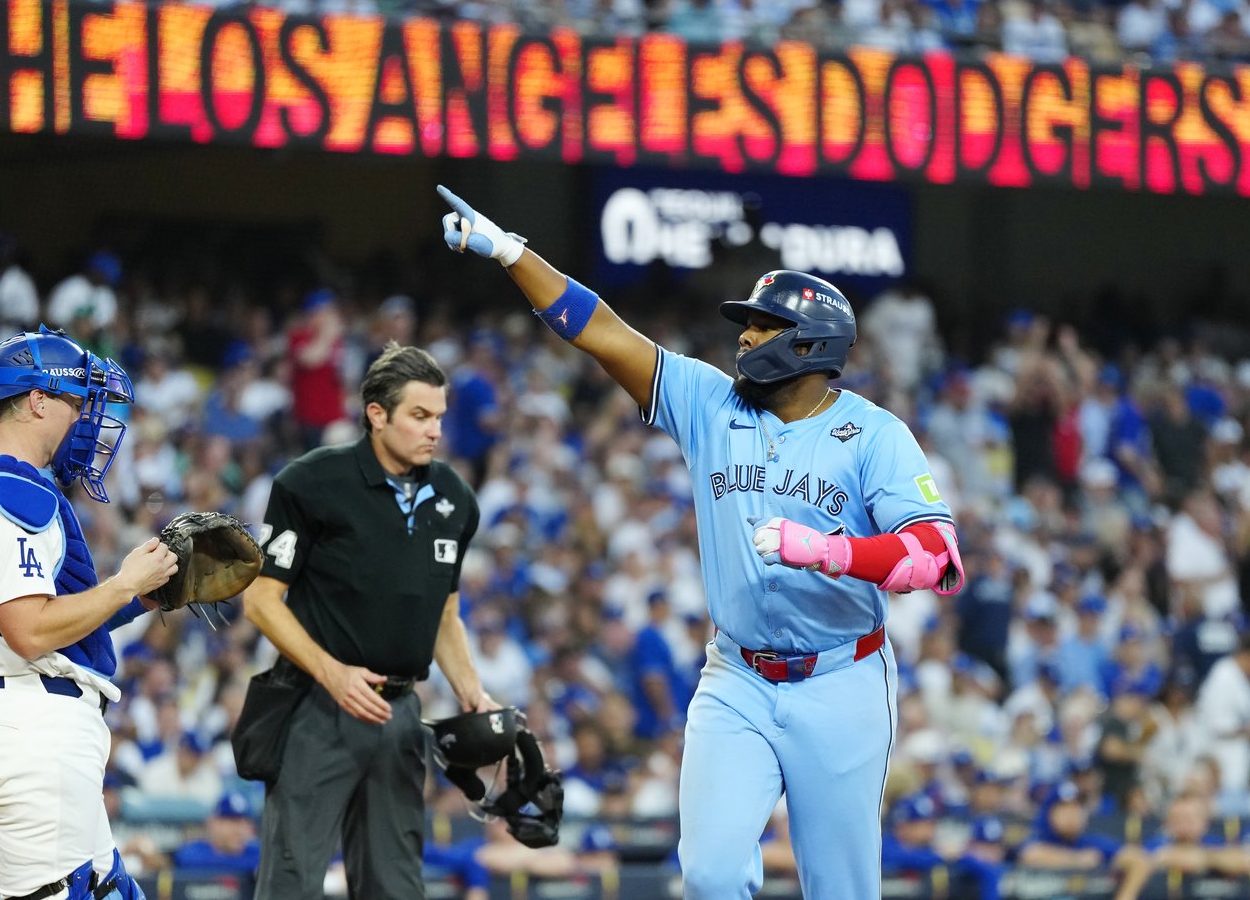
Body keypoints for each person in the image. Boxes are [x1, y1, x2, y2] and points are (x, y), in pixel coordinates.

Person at [436, 186, 965, 899]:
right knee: (712, 872)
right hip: (738, 676)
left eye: (764, 328)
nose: (744, 339)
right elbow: (600, 331)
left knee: (840, 888)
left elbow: (936, 557)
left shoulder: (875, 434)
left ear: (811, 345)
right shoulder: (710, 402)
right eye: (746, 326)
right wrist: (512, 253)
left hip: (842, 679)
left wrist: (833, 552)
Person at [242, 341, 499, 900]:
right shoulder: (310, 483)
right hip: (316, 706)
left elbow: (445, 613)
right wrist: (333, 673)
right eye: (419, 415)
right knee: (290, 883)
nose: (434, 430)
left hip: (401, 712)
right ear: (376, 415)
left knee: (396, 886)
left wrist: (472, 693)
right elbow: (261, 600)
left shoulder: (455, 498)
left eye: (439, 417)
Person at [0, 326, 178, 900]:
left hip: (44, 717)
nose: (86, 418)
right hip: (34, 724)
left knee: (111, 893)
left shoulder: (13, 485)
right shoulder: (11, 496)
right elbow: (29, 631)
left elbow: (55, 624)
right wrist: (123, 583)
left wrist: (142, 596)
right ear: (38, 399)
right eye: (78, 401)